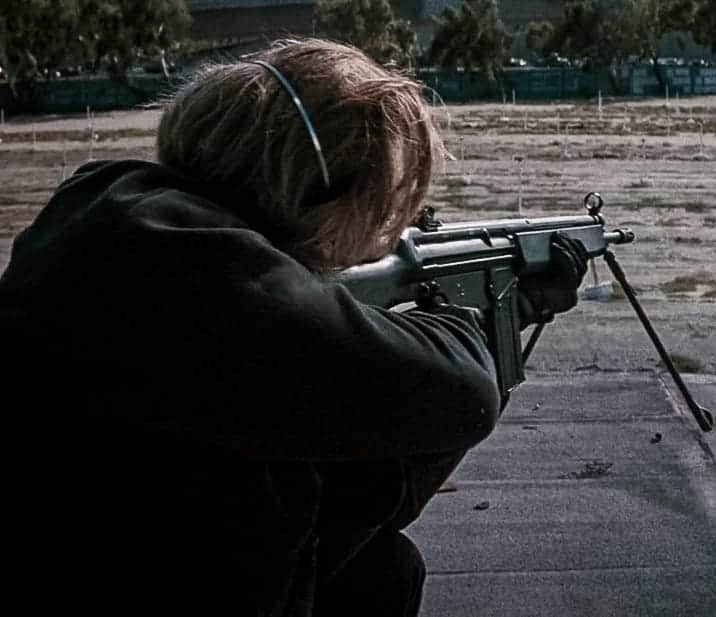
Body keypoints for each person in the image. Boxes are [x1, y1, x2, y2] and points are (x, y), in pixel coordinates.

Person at [1, 38, 588, 617]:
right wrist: (464, 317)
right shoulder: (194, 269)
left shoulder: (121, 210)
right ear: (318, 189)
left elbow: (360, 490)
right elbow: (461, 393)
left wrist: (510, 312)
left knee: (380, 571)